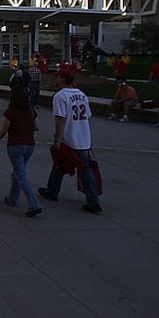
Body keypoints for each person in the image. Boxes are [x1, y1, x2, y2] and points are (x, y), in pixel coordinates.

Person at [38, 74, 102, 214]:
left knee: (68, 166)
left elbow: (60, 118)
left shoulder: (60, 96)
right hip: (83, 138)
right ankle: (53, 191)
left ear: (63, 79)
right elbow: (87, 116)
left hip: (69, 138)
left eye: (58, 77)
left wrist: (57, 138)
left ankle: (92, 201)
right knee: (68, 166)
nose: (56, 79)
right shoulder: (82, 95)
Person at [0, 87, 42, 217]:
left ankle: (34, 204)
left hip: (15, 146)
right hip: (30, 145)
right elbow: (37, 127)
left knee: (20, 175)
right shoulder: (31, 111)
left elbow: (4, 129)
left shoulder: (11, 111)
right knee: (18, 172)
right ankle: (13, 199)